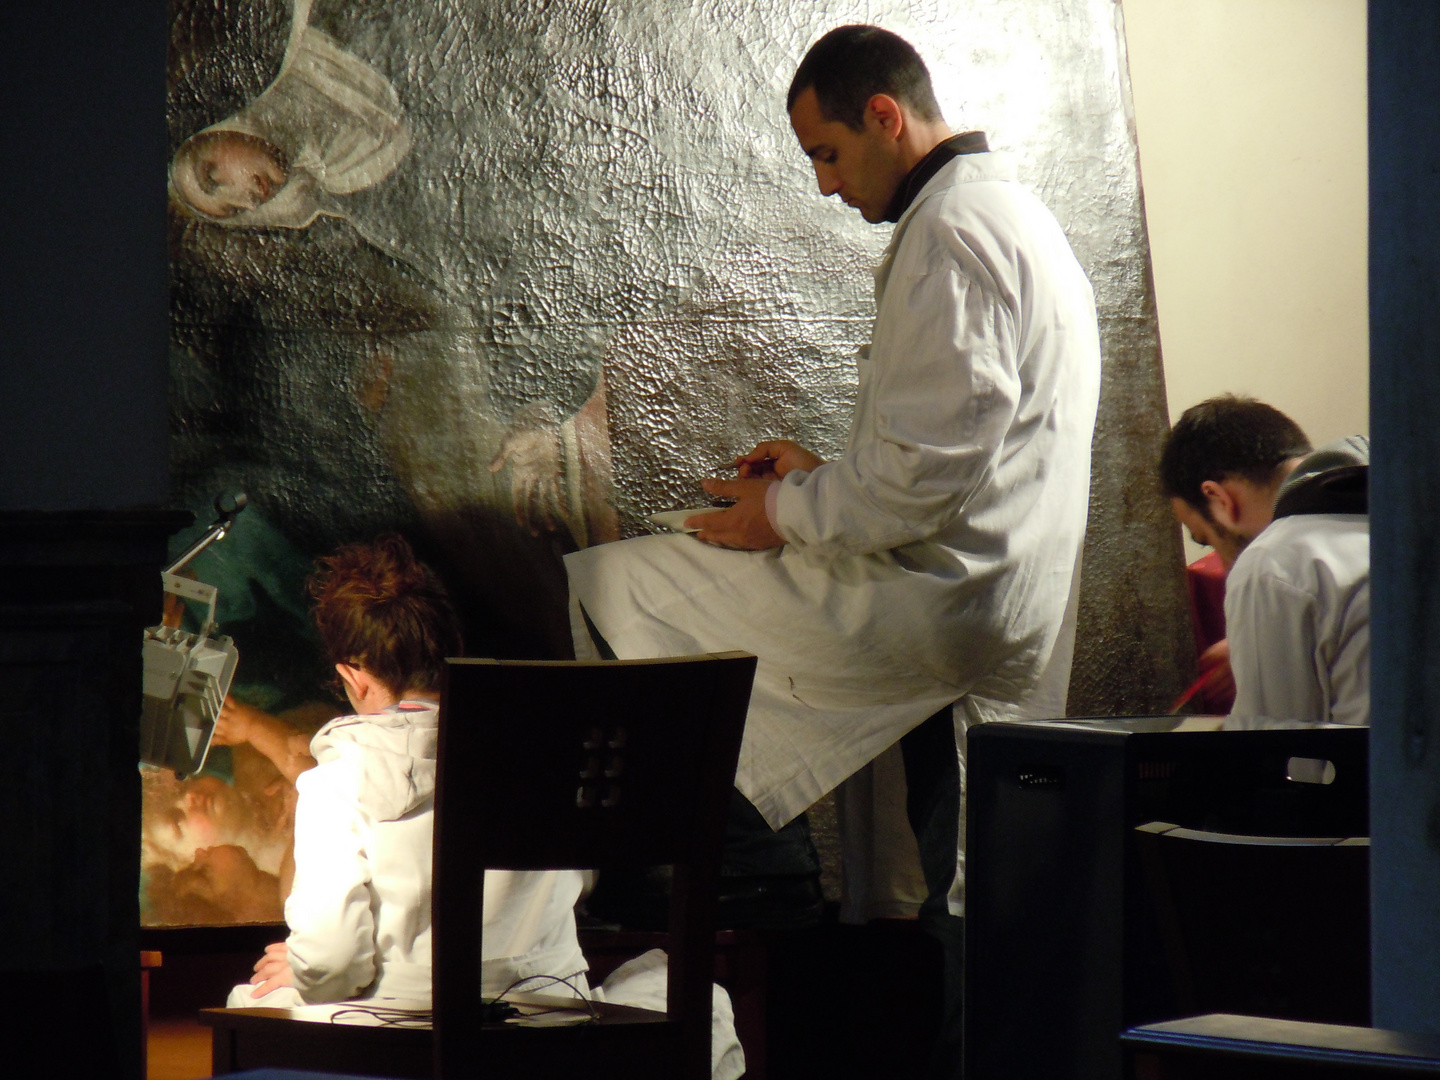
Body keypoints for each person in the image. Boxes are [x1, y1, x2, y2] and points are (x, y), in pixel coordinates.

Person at [565, 24, 1102, 1074]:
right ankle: (757, 878)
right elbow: (956, 448)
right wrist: (815, 474)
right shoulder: (1005, 214)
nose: (822, 185)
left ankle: (739, 889)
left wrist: (784, 514)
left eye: (828, 152)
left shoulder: (953, 232)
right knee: (680, 569)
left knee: (620, 581)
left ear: (886, 118)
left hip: (945, 596)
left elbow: (919, 479)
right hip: (975, 576)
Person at [228, 534, 589, 1008]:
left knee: (249, 1000)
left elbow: (334, 965)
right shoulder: (542, 750)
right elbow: (580, 880)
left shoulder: (336, 784)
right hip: (553, 1010)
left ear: (353, 676)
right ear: (451, 645)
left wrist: (304, 968)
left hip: (412, 1021)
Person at [1159, 395, 1370, 726]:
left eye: (1206, 539)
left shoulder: (1271, 565)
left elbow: (1273, 750)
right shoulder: (1401, 513)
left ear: (1219, 498)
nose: (1224, 566)